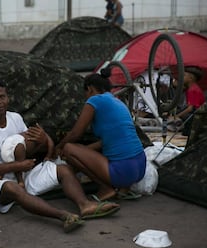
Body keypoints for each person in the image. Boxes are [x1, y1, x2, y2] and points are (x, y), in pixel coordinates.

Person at [0, 80, 120, 233]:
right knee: (13, 188)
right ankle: (63, 216)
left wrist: (40, 143)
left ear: (8, 98)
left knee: (63, 170)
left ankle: (85, 205)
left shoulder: (15, 118)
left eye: (2, 97)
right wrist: (17, 166)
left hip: (22, 172)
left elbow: (27, 151)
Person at [55, 68, 146, 201]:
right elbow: (107, 140)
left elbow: (76, 134)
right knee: (77, 151)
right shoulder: (117, 102)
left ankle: (106, 187)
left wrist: (59, 147)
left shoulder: (95, 100)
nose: (85, 97)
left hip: (123, 169)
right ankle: (123, 189)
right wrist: (83, 151)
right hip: (140, 166)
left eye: (85, 93)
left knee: (69, 149)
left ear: (90, 89)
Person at [0, 123, 54, 188]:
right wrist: (48, 156)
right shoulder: (44, 135)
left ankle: (0, 176)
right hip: (17, 144)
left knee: (11, 163)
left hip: (8, 143)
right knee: (19, 164)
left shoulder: (29, 133)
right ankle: (20, 181)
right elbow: (51, 145)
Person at [169, 66, 205, 135]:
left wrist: (176, 116)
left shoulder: (192, 90)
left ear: (190, 78)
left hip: (195, 116)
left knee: (175, 118)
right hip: (193, 113)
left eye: (184, 75)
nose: (181, 77)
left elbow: (190, 109)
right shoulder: (192, 87)